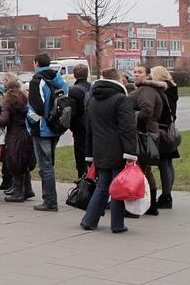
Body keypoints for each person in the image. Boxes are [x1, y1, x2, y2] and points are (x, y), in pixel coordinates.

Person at [80, 69, 138, 233]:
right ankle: (117, 224)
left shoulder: (92, 100)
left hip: (99, 150)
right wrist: (131, 153)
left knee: (103, 185)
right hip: (118, 150)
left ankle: (89, 220)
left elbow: (89, 130)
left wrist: (89, 154)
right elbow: (128, 129)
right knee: (118, 186)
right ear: (118, 80)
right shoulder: (122, 100)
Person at [27, 53, 68, 212]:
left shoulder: (37, 80)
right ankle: (50, 199)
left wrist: (31, 123)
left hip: (41, 128)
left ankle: (50, 201)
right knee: (50, 164)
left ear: (36, 63)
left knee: (45, 166)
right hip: (56, 126)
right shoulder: (59, 80)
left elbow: (36, 107)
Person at [130, 64, 165, 216]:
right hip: (146, 132)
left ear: (148, 75)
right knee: (145, 169)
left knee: (139, 168)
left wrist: (131, 118)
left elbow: (147, 111)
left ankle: (141, 205)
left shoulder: (146, 90)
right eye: (135, 72)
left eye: (140, 72)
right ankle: (151, 205)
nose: (136, 74)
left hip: (143, 134)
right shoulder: (145, 89)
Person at [0, 77, 36, 202]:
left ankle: (18, 193)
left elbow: (4, 119)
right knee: (24, 162)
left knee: (15, 162)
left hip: (14, 135)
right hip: (26, 133)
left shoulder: (8, 102)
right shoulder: (25, 99)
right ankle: (28, 190)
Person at [152, 66, 179, 209]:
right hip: (169, 131)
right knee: (168, 162)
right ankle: (168, 194)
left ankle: (166, 196)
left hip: (162, 131)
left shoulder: (163, 91)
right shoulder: (172, 89)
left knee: (163, 163)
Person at [67, 64, 92, 179]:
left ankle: (83, 185)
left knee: (81, 160)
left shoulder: (73, 91)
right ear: (87, 74)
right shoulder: (93, 88)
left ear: (74, 75)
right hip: (93, 127)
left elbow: (72, 113)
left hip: (79, 129)